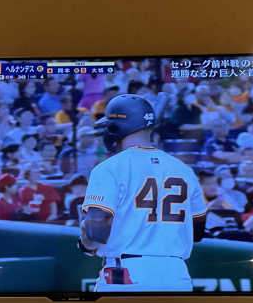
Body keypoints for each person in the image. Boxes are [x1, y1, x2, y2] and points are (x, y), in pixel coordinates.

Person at [79, 94, 207, 292]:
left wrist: (85, 242)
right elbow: (198, 231)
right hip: (176, 274)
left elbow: (96, 231)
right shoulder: (183, 170)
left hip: (127, 273)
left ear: (119, 127)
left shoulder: (110, 167)